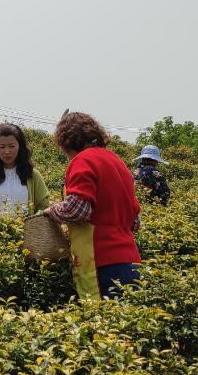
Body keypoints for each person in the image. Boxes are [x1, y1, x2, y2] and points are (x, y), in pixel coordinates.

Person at [44, 112, 142, 301]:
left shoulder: (83, 160)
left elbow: (78, 210)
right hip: (131, 260)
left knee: (102, 325)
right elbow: (134, 222)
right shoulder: (117, 161)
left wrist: (52, 210)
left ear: (66, 141)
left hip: (100, 261)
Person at [0, 124, 50, 216]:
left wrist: (33, 221)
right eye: (2, 147)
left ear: (20, 146)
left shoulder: (32, 174)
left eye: (12, 146)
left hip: (27, 229)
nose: (7, 152)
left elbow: (44, 206)